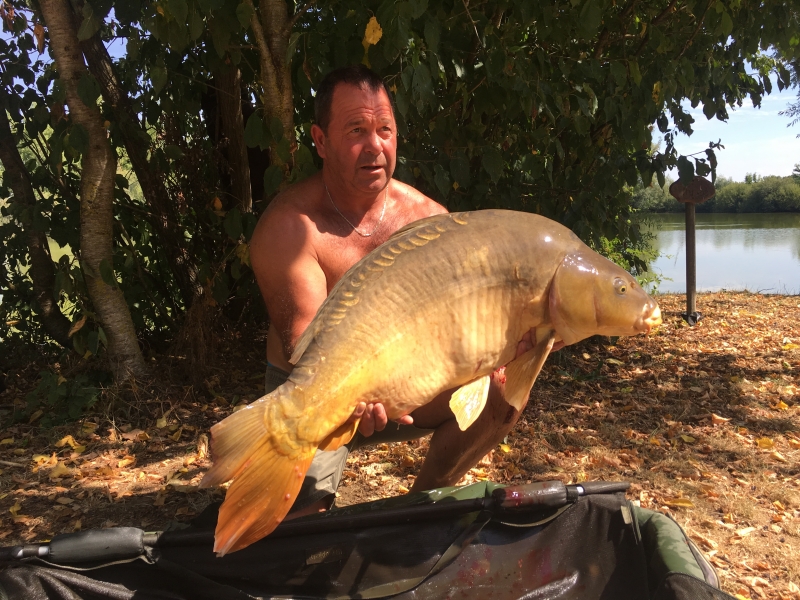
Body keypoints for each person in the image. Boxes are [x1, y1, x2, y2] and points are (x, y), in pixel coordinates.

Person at [249, 65, 536, 518]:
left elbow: (467, 321)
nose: (375, 146)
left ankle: (418, 509)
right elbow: (306, 354)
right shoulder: (289, 229)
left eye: (385, 129)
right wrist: (365, 392)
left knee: (502, 391)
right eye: (356, 130)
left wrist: (503, 347)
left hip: (412, 379)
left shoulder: (430, 220)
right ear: (320, 141)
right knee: (297, 536)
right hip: (314, 390)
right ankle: (290, 495)